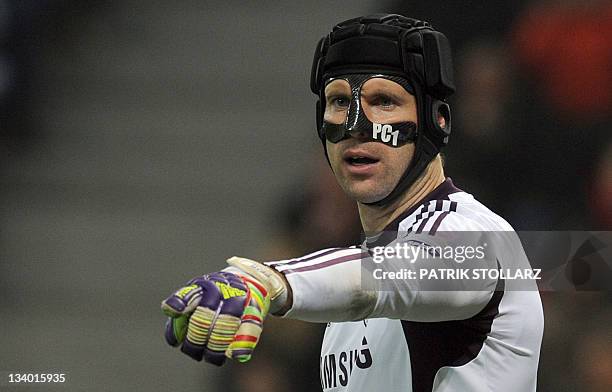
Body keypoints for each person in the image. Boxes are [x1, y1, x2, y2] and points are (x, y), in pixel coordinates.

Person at [161, 14, 544, 391]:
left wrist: (269, 280)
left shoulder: (476, 236)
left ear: (437, 120)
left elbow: (383, 277)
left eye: (384, 100)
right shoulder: (345, 308)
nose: (356, 125)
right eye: (340, 101)